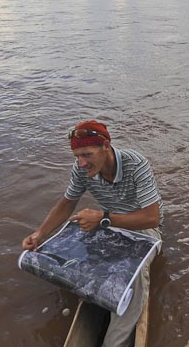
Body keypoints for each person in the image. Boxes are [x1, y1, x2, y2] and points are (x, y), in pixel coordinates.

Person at [22, 119, 163, 347]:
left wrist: (104, 218)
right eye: (77, 156)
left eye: (87, 154)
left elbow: (151, 218)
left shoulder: (136, 164)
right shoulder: (81, 169)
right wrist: (40, 234)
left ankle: (114, 343)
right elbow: (67, 203)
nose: (81, 163)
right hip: (107, 221)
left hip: (142, 228)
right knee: (75, 255)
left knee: (133, 276)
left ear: (106, 146)